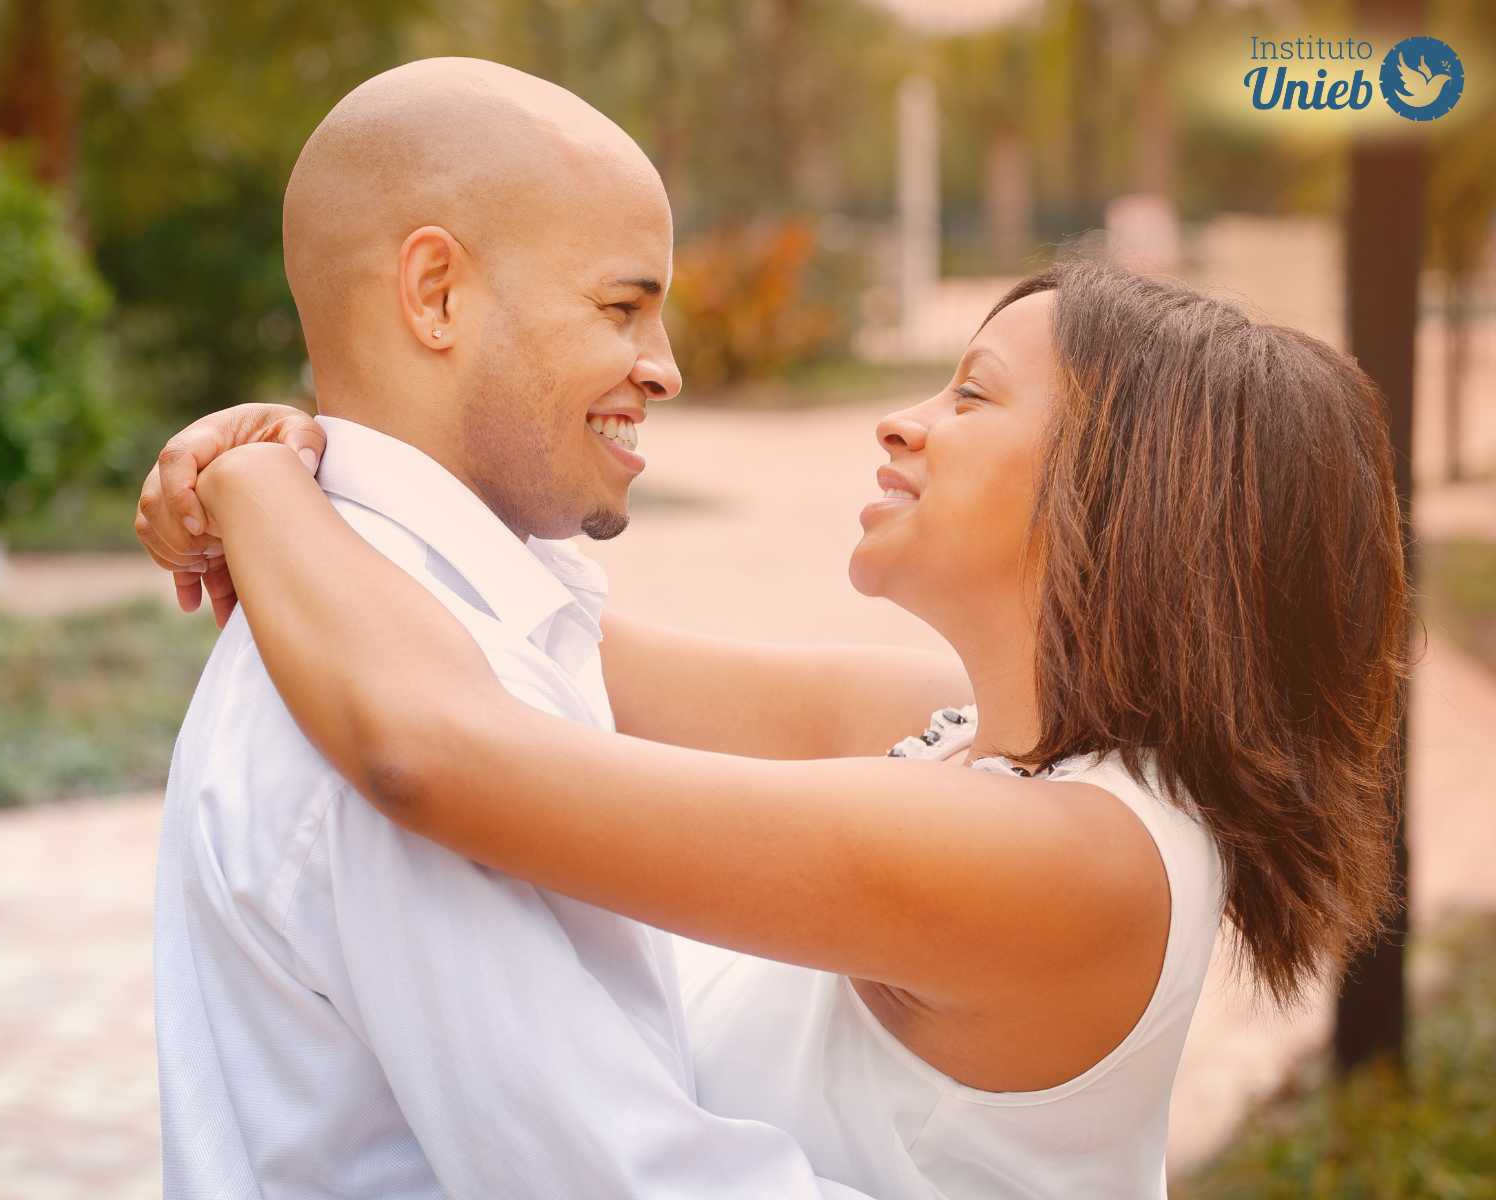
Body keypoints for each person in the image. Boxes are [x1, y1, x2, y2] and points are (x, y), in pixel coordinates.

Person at [140, 255, 1411, 1197]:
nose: (900, 419)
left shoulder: (1061, 860)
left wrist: (252, 484)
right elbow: (542, 650)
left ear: (1123, 496)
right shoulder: (960, 737)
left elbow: (437, 752)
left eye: (972, 397)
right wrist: (301, 462)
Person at [143, 57, 882, 1199]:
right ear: (435, 293)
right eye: (622, 306)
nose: (668, 367)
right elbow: (624, 1180)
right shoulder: (391, 689)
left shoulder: (468, 619)